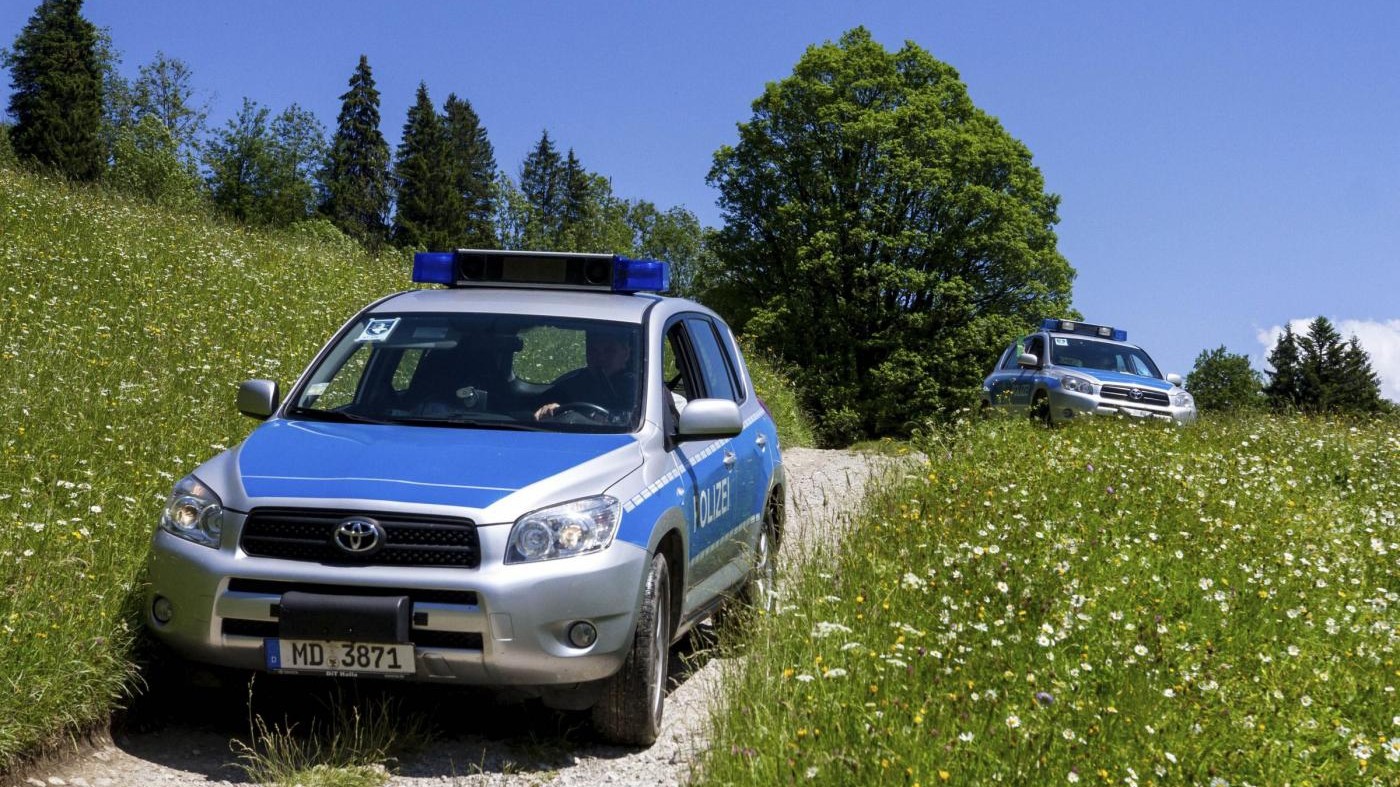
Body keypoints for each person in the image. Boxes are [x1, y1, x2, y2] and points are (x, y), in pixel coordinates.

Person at [534, 327, 637, 421]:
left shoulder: (639, 389)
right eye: (593, 351)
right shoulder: (573, 385)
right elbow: (535, 410)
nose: (600, 358)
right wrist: (549, 409)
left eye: (609, 351)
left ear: (625, 353)